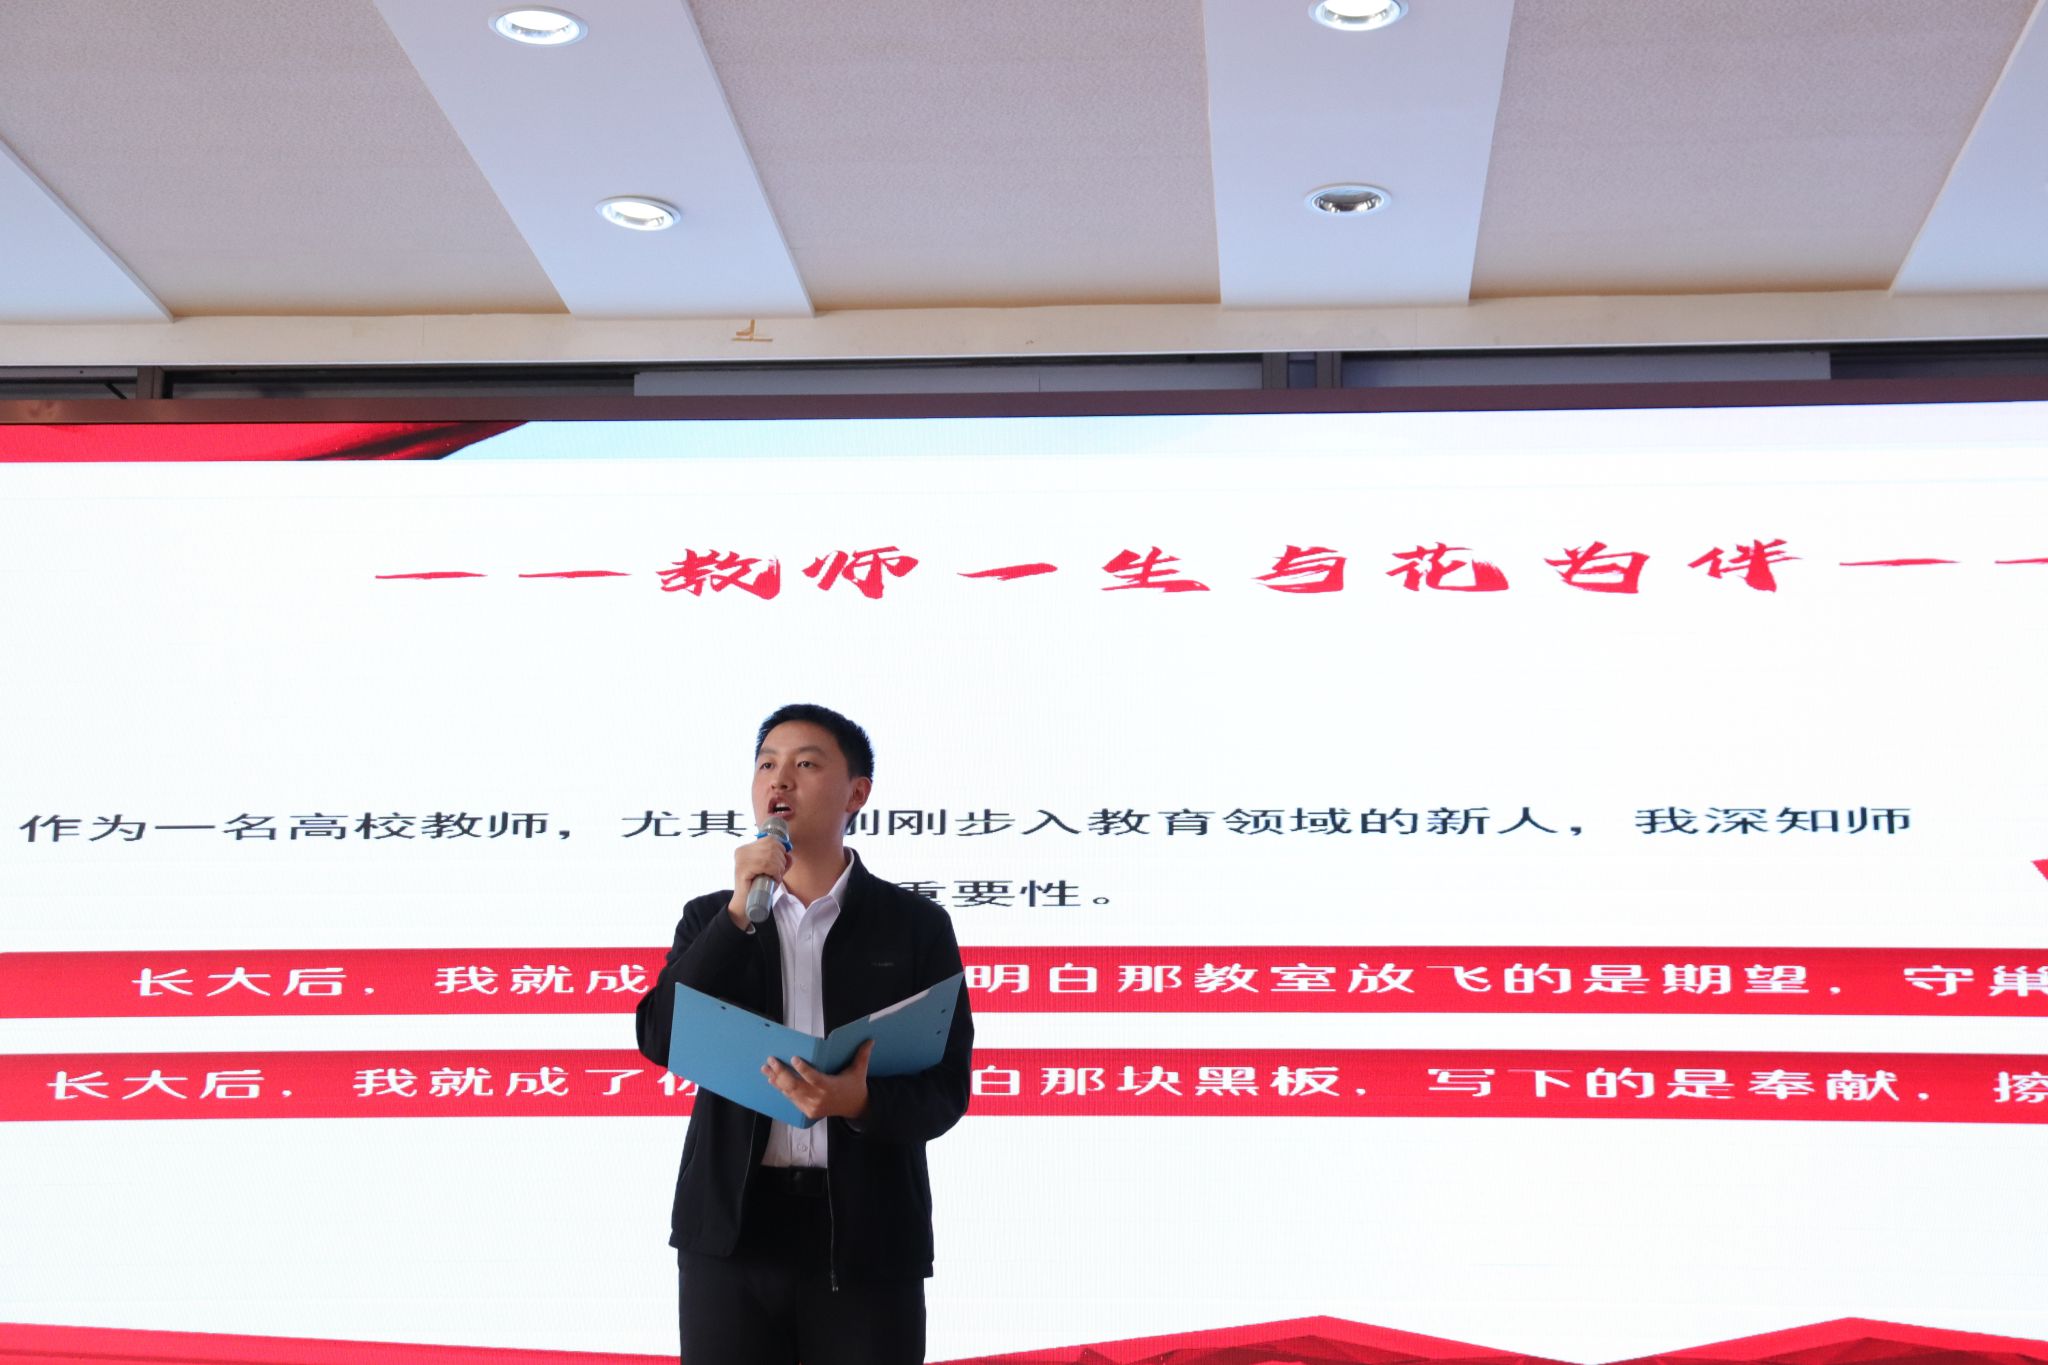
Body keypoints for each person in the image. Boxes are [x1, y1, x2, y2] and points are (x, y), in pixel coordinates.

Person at [634, 703, 974, 1365]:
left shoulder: (914, 925)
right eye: (766, 764)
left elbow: (945, 1091)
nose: (779, 779)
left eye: (806, 763)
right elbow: (660, 1036)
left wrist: (859, 1101)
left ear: (857, 793)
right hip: (731, 1236)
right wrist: (738, 913)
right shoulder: (713, 917)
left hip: (870, 1238)